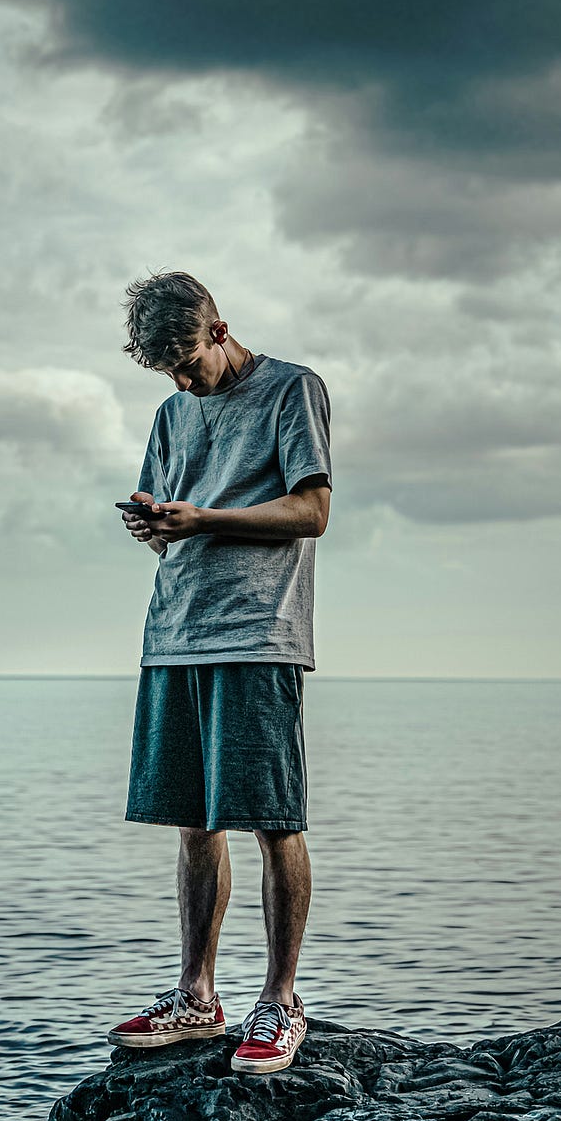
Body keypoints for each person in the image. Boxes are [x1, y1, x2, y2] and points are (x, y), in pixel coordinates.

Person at [106, 270, 332, 1075]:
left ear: (220, 329)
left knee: (275, 818)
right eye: (164, 371)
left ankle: (281, 1000)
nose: (179, 382)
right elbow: (173, 523)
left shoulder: (290, 391)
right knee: (195, 822)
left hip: (257, 634)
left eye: (187, 364)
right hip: (174, 632)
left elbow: (312, 511)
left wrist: (205, 518)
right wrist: (157, 524)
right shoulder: (172, 412)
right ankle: (197, 995)